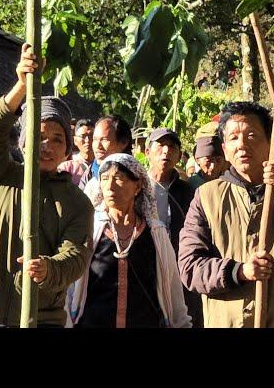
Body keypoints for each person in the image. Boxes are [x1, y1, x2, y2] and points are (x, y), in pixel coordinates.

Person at [0, 43, 93, 328]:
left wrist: (49, 269)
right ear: (23, 140)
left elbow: (76, 256)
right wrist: (21, 86)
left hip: (41, 319)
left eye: (58, 139)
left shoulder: (77, 202)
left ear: (67, 150)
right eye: (39, 135)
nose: (47, 146)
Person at [178, 101, 274, 327]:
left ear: (271, 143)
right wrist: (239, 272)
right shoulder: (206, 197)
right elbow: (190, 267)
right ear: (224, 150)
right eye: (233, 138)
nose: (242, 145)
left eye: (251, 135)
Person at [66, 154, 191, 328]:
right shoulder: (90, 229)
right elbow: (71, 287)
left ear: (138, 186)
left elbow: (172, 286)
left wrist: (181, 323)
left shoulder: (155, 232)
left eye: (119, 178)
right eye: (104, 178)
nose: (109, 186)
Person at [145, 127, 201, 327]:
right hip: (146, 267)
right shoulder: (137, 188)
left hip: (180, 269)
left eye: (172, 147)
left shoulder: (188, 192)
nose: (166, 151)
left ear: (179, 156)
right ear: (147, 152)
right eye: (160, 146)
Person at [81, 115, 132, 205]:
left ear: (123, 143)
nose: (98, 146)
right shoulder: (89, 174)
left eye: (104, 140)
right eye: (95, 139)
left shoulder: (134, 176)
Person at [188, 122, 229, 191]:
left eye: (218, 160)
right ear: (197, 160)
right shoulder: (189, 186)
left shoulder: (232, 183)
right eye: (208, 160)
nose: (213, 166)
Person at [58, 119, 95, 186]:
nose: (88, 140)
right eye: (83, 136)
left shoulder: (103, 165)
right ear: (75, 140)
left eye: (91, 136)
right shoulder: (66, 168)